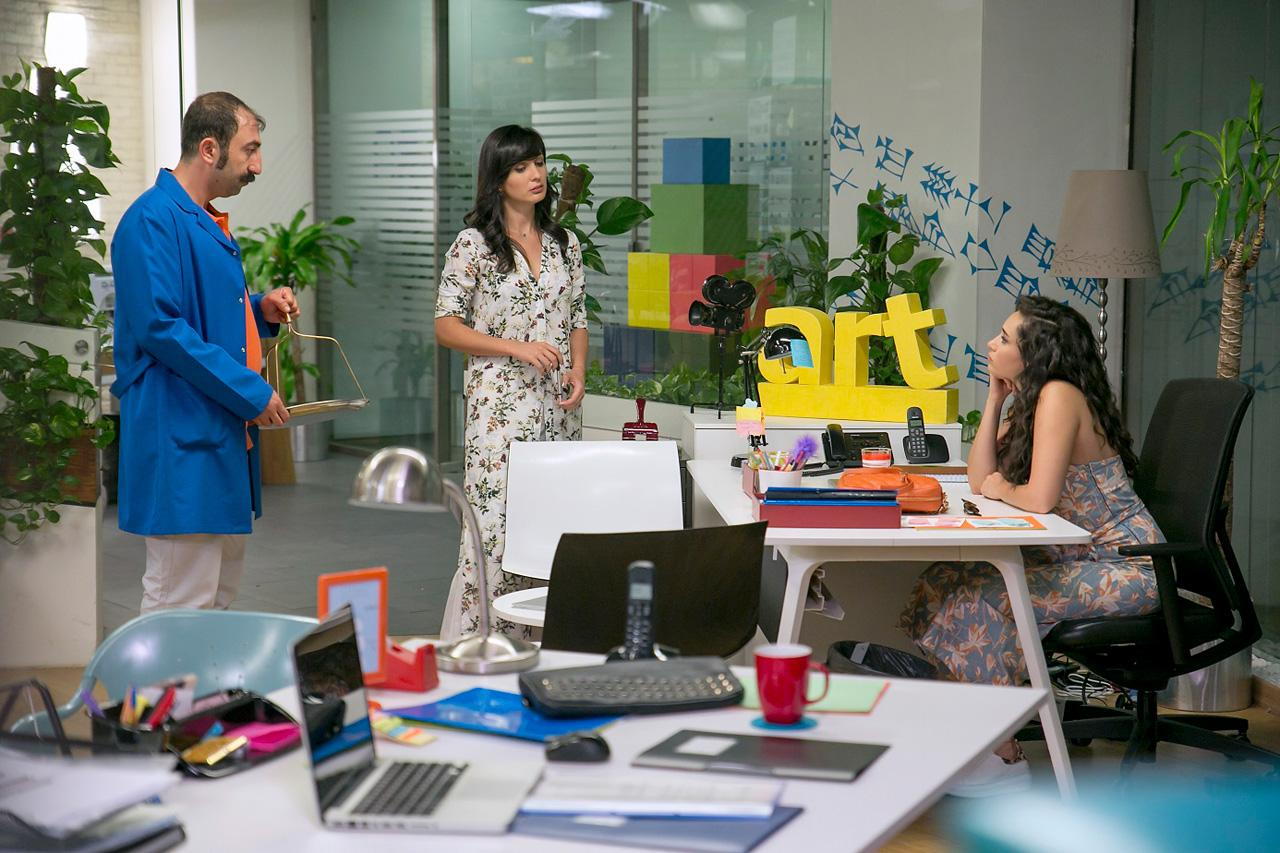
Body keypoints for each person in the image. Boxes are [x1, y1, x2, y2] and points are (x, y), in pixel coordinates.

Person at [898, 295, 1162, 796]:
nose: (990, 344)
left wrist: (1002, 487)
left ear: (1034, 355)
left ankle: (1002, 752)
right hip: (1077, 557)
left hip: (1126, 565)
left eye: (1003, 339)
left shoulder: (1060, 395)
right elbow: (980, 478)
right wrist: (995, 399)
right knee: (943, 580)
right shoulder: (1035, 399)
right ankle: (969, 735)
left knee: (985, 597)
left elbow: (1037, 498)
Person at [111, 92, 298, 613]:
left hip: (214, 432)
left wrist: (260, 310)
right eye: (250, 150)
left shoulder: (199, 219)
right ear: (210, 148)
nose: (257, 166)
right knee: (180, 603)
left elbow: (201, 316)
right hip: (181, 433)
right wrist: (249, 391)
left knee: (215, 599)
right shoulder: (152, 219)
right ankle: (161, 675)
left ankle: (205, 675)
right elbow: (162, 328)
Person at [434, 125, 588, 641]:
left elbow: (578, 319)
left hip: (559, 410)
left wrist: (578, 370)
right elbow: (446, 326)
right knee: (496, 525)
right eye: (521, 167)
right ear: (499, 178)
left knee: (555, 522)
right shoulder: (473, 245)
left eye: (539, 163)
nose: (536, 174)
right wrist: (517, 347)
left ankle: (547, 645)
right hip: (499, 410)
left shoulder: (565, 244)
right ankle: (485, 643)